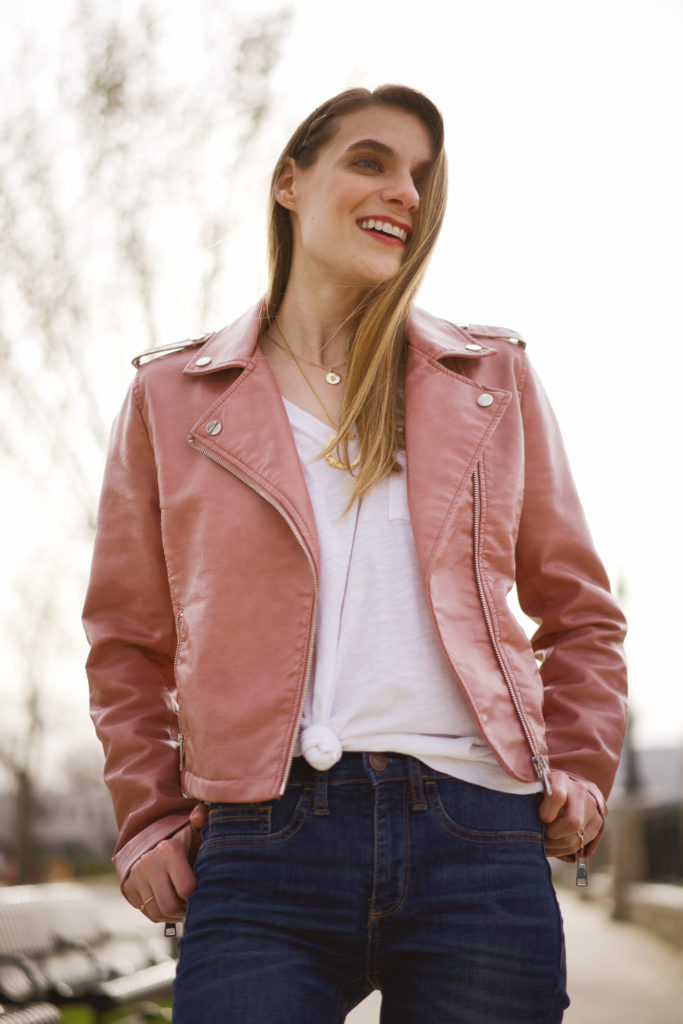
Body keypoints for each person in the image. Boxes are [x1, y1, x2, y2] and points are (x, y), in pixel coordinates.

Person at [83, 84, 627, 1023]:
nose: (406, 193)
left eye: (421, 176)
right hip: (260, 846)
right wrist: (146, 822)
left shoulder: (490, 379)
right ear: (289, 181)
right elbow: (126, 639)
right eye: (372, 162)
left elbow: (578, 609)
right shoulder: (172, 397)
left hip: (480, 834)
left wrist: (579, 766)